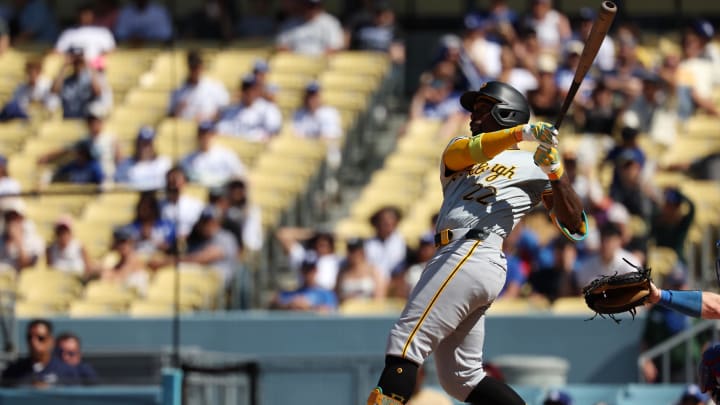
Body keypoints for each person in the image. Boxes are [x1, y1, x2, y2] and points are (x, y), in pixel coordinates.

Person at [366, 81, 587, 405]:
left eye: (483, 110)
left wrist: (555, 172)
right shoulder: (462, 150)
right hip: (458, 256)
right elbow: (464, 152)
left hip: (473, 249)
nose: (473, 118)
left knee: (405, 342)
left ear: (506, 113)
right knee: (460, 379)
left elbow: (576, 227)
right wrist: (521, 135)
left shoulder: (534, 166)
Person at [1, 319, 75, 387]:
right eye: (29, 338)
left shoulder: (66, 372)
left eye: (40, 338)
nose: (33, 342)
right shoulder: (13, 371)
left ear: (51, 341)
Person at [183, 206, 240, 288]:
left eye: (211, 222)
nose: (207, 226)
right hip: (198, 281)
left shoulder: (226, 238)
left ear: (218, 222)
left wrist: (170, 262)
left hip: (222, 288)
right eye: (204, 222)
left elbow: (202, 259)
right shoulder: (196, 240)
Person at [215, 74, 283, 141]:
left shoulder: (268, 109)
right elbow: (221, 129)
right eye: (245, 89)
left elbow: (274, 133)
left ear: (257, 91)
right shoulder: (232, 109)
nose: (249, 92)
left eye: (252, 89)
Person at [180, 121, 247, 188]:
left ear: (214, 135)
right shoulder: (188, 158)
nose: (205, 137)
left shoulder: (227, 155)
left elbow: (240, 176)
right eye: (202, 134)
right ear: (198, 136)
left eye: (209, 134)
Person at [168, 50, 230, 122]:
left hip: (208, 128)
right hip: (185, 128)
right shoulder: (178, 92)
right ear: (188, 67)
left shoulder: (216, 87)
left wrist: (208, 117)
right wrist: (178, 109)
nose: (195, 71)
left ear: (202, 67)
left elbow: (225, 112)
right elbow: (170, 117)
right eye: (192, 67)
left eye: (197, 67)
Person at [51, 46, 112, 119]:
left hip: (85, 121)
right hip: (68, 118)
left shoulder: (90, 80)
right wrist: (64, 66)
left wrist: (88, 65)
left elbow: (97, 92)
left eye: (80, 62)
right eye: (76, 63)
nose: (78, 65)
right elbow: (54, 91)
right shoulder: (66, 81)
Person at [276, 227, 340, 291]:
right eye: (318, 244)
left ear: (331, 246)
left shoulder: (338, 260)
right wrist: (314, 234)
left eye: (324, 245)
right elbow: (283, 234)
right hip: (306, 292)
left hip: (327, 295)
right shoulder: (307, 257)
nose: (320, 248)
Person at [270, 254, 338, 313]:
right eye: (306, 269)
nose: (308, 273)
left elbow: (330, 311)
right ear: (301, 271)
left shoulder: (326, 293)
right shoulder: (293, 292)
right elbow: (273, 304)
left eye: (311, 270)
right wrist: (289, 305)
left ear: (316, 270)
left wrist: (309, 307)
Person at [276, 0, 344, 56]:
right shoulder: (290, 22)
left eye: (313, 5)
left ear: (320, 5)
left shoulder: (330, 22)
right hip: (295, 63)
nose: (310, 8)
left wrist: (315, 61)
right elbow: (282, 47)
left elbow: (335, 48)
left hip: (320, 65)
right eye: (307, 5)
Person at [114, 126, 172, 191]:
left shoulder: (164, 162)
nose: (146, 148)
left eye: (149, 144)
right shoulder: (125, 164)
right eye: (143, 144)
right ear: (137, 144)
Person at [123, 191, 176, 257]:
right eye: (142, 206)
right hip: (137, 259)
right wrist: (139, 238)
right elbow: (123, 248)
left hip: (160, 260)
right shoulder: (129, 228)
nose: (144, 209)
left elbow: (171, 249)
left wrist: (151, 238)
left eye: (147, 207)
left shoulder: (167, 226)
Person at [335, 238, 386, 304]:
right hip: (348, 311)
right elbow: (337, 296)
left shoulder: (373, 271)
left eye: (356, 251)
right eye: (351, 251)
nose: (353, 255)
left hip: (369, 311)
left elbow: (379, 297)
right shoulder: (342, 272)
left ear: (363, 252)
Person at [158, 166, 204, 238]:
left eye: (177, 179)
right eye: (170, 180)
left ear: (184, 182)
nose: (173, 182)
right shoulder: (158, 205)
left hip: (192, 240)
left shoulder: (196, 205)